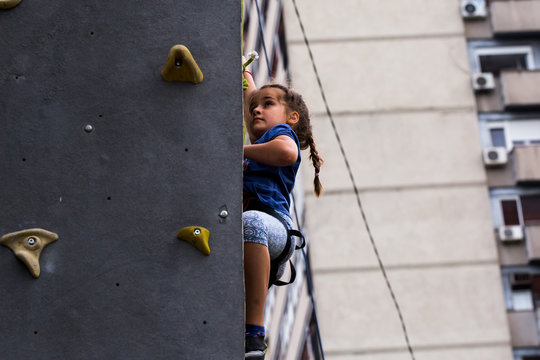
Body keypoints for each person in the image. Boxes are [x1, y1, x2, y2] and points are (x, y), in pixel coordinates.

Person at [242, 69, 323, 360]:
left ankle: (254, 334)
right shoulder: (257, 143)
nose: (257, 110)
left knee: (249, 223)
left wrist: (237, 150)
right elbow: (250, 100)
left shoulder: (281, 134)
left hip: (273, 227)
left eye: (268, 104)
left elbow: (287, 152)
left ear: (291, 117)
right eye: (254, 108)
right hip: (253, 234)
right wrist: (245, 73)